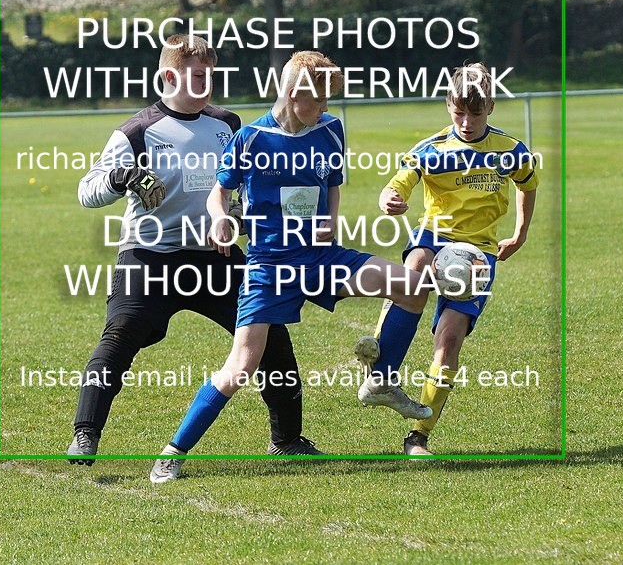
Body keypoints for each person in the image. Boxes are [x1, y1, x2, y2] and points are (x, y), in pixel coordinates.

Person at [150, 50, 433, 484]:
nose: (325, 109)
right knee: (243, 364)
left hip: (321, 258)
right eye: (318, 101)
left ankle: (381, 380)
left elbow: (332, 184)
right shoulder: (250, 139)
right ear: (292, 93)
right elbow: (218, 193)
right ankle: (173, 451)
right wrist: (222, 217)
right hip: (270, 267)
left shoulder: (331, 130)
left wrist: (330, 220)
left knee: (412, 287)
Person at [67, 34, 319, 464]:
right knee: (120, 336)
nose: (208, 83)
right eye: (198, 76)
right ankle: (85, 434)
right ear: (169, 76)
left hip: (214, 257)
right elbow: (86, 191)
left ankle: (288, 440)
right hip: (149, 257)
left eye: (211, 75)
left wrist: (234, 218)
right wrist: (120, 178)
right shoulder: (137, 131)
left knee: (271, 336)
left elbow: (241, 189)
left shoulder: (229, 125)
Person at [354, 63, 539, 455]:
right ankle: (381, 372)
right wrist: (389, 198)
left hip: (479, 253)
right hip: (434, 236)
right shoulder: (432, 150)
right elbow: (400, 180)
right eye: (459, 112)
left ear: (490, 107)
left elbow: (528, 185)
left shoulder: (510, 151)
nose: (467, 122)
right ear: (448, 106)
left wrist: (520, 233)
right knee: (414, 270)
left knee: (449, 340)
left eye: (476, 113)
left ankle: (418, 435)